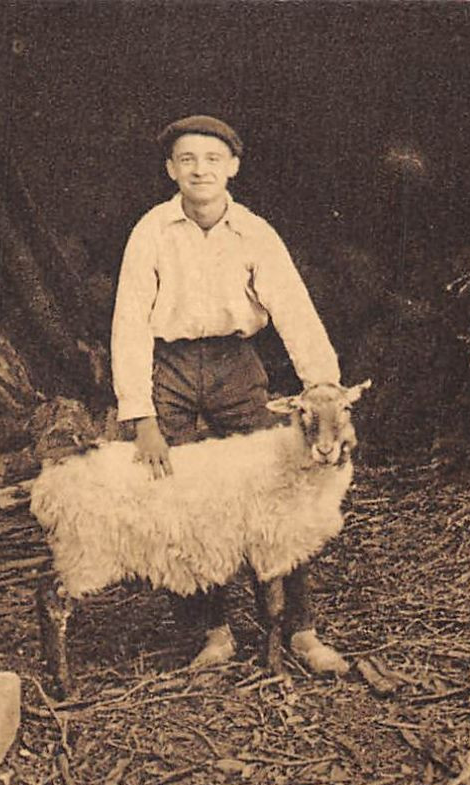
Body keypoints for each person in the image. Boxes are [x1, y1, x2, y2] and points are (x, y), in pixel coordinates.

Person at [110, 114, 349, 675]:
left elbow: (292, 308)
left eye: (213, 160)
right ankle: (211, 631)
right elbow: (128, 324)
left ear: (233, 168)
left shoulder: (255, 233)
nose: (200, 170)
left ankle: (302, 630)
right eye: (188, 159)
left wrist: (321, 382)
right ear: (171, 169)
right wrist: (142, 416)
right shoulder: (151, 231)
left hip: (235, 369)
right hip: (167, 369)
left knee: (280, 496)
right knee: (182, 503)